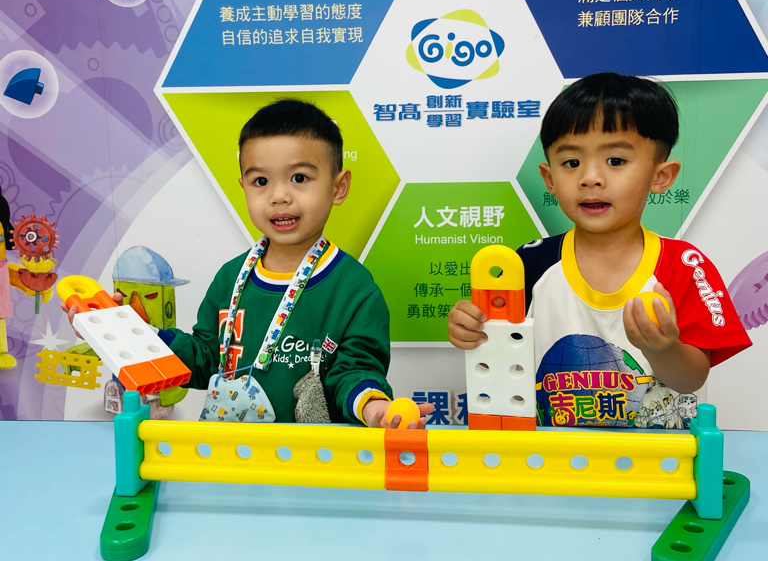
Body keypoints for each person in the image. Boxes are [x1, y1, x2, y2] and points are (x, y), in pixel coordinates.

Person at [65, 99, 430, 427]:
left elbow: (355, 370)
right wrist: (133, 332)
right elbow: (205, 359)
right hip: (230, 459)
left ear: (338, 187)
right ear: (243, 186)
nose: (279, 196)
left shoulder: (355, 288)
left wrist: (375, 408)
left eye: (299, 178)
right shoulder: (231, 278)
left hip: (314, 463)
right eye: (260, 181)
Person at [448, 72, 751, 428]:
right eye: (571, 163)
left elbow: (691, 379)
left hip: (655, 458)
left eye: (615, 161)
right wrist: (472, 331)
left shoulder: (683, 266)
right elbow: (499, 357)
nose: (590, 178)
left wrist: (663, 349)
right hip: (549, 456)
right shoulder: (529, 263)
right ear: (549, 179)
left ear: (661, 176)